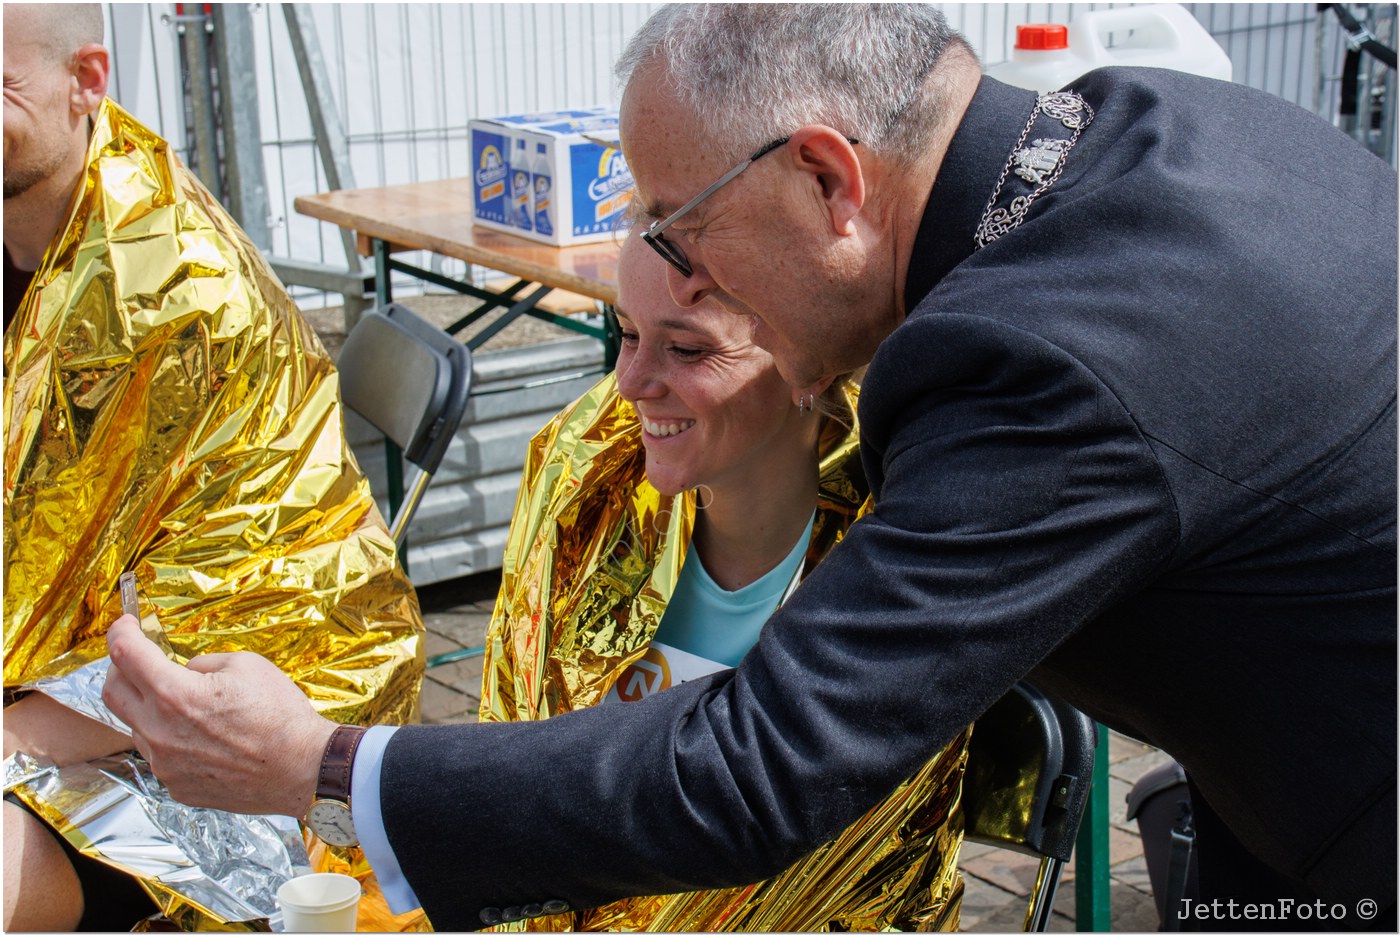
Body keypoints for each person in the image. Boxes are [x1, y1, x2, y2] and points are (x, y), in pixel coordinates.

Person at [103, 4, 1396, 932]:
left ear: (830, 177)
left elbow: (759, 765)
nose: (675, 269)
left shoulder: (1042, 360)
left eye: (682, 222)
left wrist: (325, 760)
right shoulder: (1152, 125)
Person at [3, 4, 424, 931]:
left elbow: (248, 611)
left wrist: (12, 735)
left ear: (87, 82)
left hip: (205, 728)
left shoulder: (182, 299)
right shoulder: (23, 231)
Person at [471, 231, 967, 932]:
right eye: (627, 333)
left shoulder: (897, 554)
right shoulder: (585, 484)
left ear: (810, 360)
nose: (632, 383)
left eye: (687, 348)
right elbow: (517, 762)